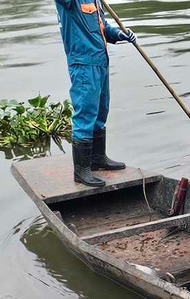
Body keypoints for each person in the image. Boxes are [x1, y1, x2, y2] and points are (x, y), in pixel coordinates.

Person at [54, 0, 136, 187]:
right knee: (85, 114)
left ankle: (97, 159)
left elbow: (102, 27)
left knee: (101, 110)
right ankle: (81, 170)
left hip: (100, 60)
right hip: (83, 63)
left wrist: (119, 34)